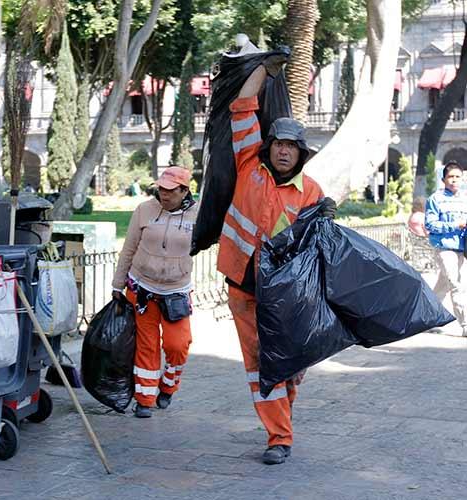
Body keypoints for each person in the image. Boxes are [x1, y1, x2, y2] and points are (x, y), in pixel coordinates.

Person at [222, 64, 336, 465]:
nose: (284, 150)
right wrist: (264, 69)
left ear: (301, 153)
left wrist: (324, 219)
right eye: (278, 143)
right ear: (267, 147)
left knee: (288, 366)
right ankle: (279, 437)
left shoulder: (311, 193)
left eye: (292, 146)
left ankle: (281, 413)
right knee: (260, 364)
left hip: (286, 297)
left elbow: (317, 251)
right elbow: (242, 107)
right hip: (243, 287)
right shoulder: (248, 167)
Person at [111, 166, 200, 419]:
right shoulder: (144, 210)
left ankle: (169, 386)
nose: (164, 194)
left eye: (171, 190)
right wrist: (118, 284)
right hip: (142, 288)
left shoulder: (198, 215)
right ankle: (145, 399)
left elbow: (214, 238)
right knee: (146, 346)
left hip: (176, 292)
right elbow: (128, 249)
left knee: (177, 345)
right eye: (161, 188)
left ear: (184, 191)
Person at [425, 162, 467, 336]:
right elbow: (430, 224)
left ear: (462, 178)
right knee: (457, 285)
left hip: (461, 248)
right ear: (443, 179)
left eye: (457, 176)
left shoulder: (465, 198)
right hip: (444, 247)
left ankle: (426, 318)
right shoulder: (435, 199)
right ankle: (465, 325)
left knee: (443, 285)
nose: (454, 180)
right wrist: (455, 225)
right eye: (451, 177)